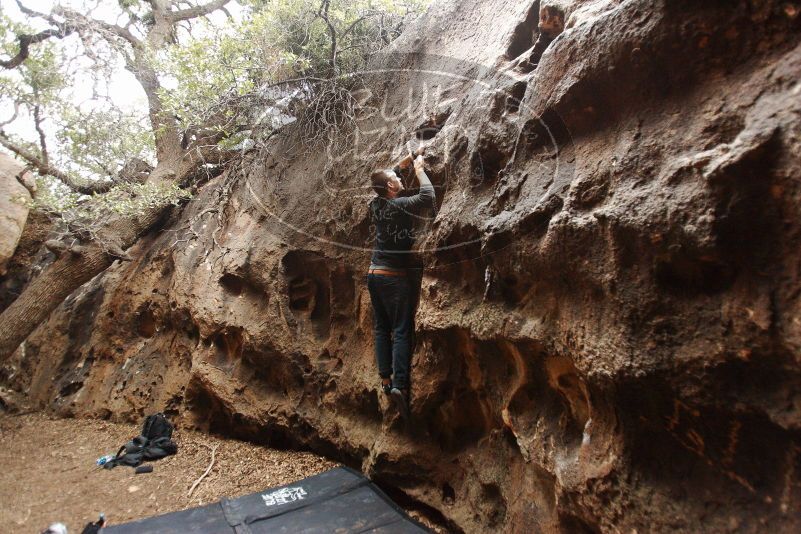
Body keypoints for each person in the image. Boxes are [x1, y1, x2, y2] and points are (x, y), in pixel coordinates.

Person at [367, 146, 436, 421]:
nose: (398, 177)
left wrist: (409, 158)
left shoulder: (376, 203)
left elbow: (391, 173)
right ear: (391, 188)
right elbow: (428, 196)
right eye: (394, 179)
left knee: (381, 328)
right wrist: (419, 171)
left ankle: (385, 380)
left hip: (374, 274)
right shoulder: (398, 205)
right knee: (401, 329)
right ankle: (400, 385)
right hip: (394, 278)